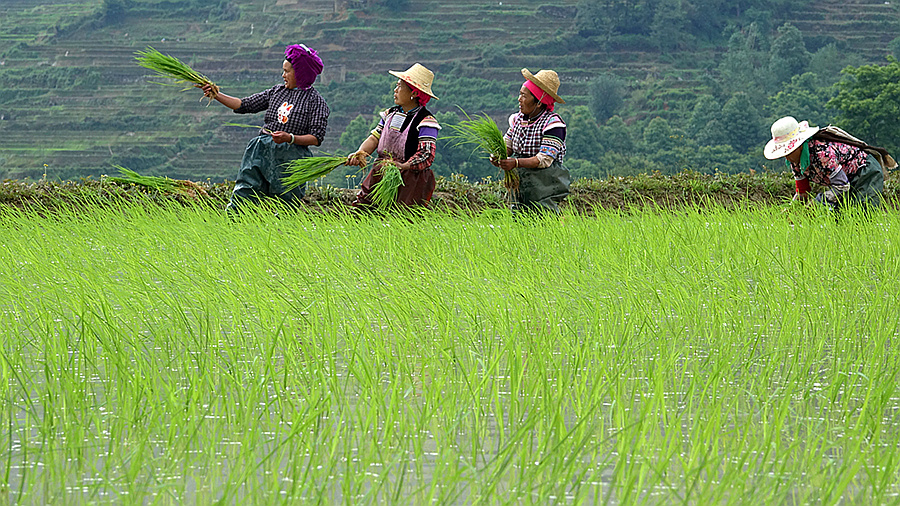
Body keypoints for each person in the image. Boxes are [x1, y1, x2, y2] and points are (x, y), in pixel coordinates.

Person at [201, 44, 330, 212]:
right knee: (244, 193)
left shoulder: (316, 102)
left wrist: (289, 138)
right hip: (261, 151)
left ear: (300, 73)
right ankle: (233, 226)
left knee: (286, 203)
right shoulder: (276, 92)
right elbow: (244, 104)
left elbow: (316, 137)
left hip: (292, 157)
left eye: (287, 71)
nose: (283, 75)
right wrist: (216, 94)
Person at [347, 63, 440, 208]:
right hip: (382, 170)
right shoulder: (390, 114)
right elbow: (375, 137)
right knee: (363, 209)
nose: (395, 90)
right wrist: (361, 153)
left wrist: (403, 166)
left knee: (400, 217)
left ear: (414, 93)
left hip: (410, 178)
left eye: (400, 87)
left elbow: (426, 154)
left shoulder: (426, 121)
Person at [764, 116, 895, 209]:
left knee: (862, 214)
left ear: (799, 146)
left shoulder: (823, 153)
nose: (787, 157)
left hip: (865, 172)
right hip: (846, 180)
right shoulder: (796, 162)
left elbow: (842, 187)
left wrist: (817, 202)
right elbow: (802, 191)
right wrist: (792, 210)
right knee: (840, 218)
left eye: (789, 151)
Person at [491, 68, 570, 213]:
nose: (519, 99)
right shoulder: (517, 119)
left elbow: (543, 160)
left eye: (523, 96)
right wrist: (498, 155)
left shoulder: (553, 124)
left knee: (544, 218)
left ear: (539, 102)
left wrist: (515, 163)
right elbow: (508, 144)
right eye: (520, 95)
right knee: (519, 218)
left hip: (545, 184)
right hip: (521, 183)